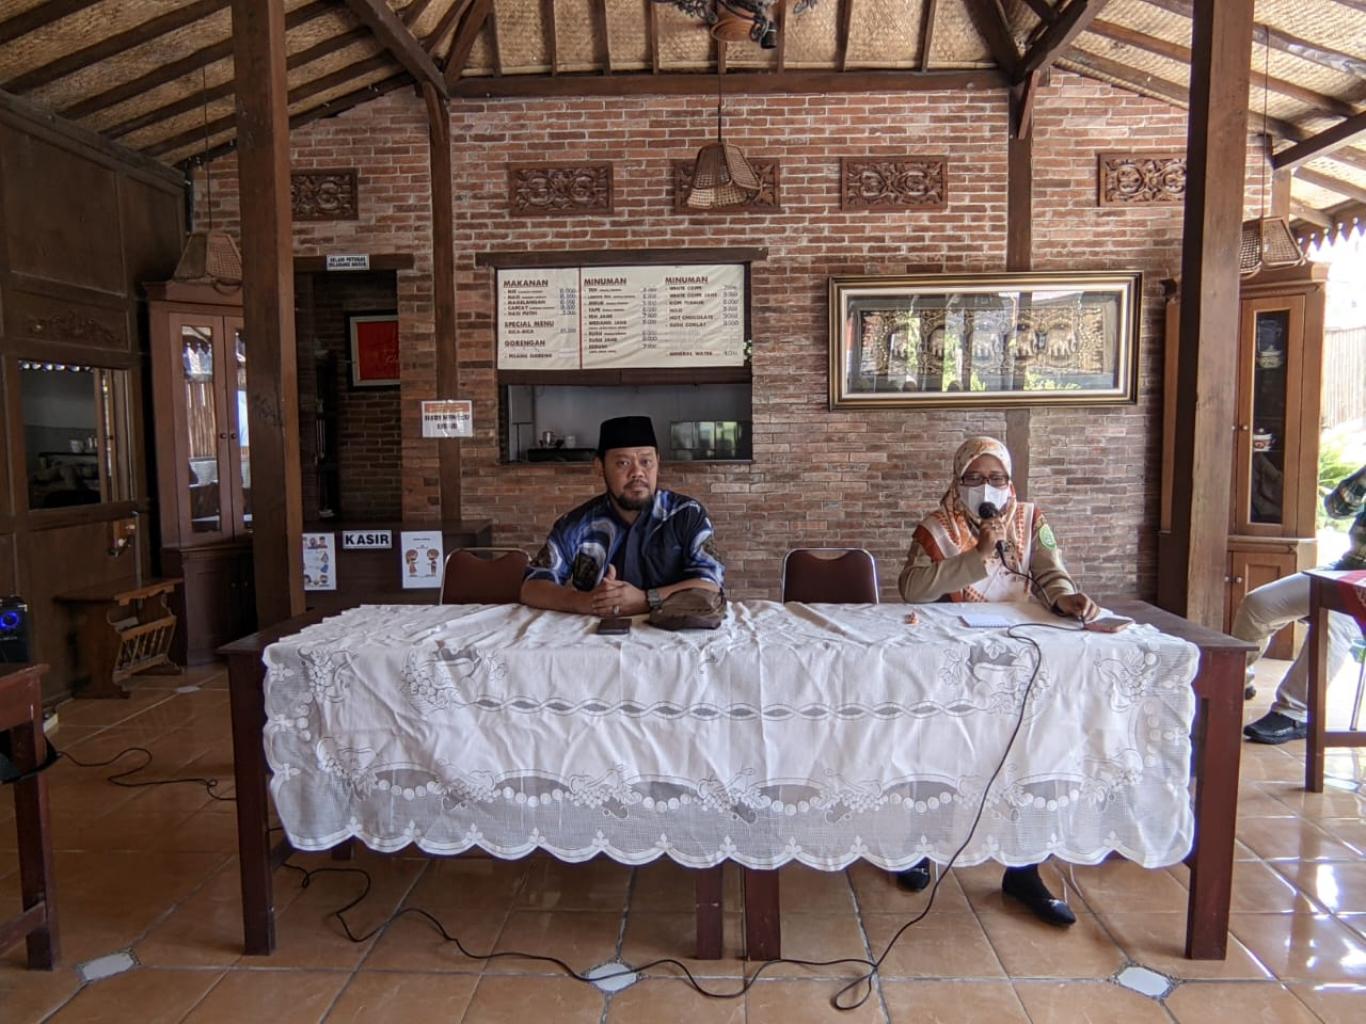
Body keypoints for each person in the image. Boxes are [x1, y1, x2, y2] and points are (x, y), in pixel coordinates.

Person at [894, 435, 1099, 927]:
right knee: (938, 752)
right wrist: (977, 555)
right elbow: (912, 589)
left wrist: (1065, 597)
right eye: (974, 478)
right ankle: (920, 847)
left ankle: (1023, 868)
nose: (987, 487)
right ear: (957, 480)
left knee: (1032, 754)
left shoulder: (1029, 519)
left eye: (996, 478)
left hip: (1022, 656)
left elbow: (1050, 572)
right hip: (955, 663)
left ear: (1010, 482)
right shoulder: (937, 527)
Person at [520, 416, 724, 616]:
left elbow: (710, 583)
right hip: (595, 632)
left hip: (672, 630)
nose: (638, 472)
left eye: (646, 461)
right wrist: (584, 601)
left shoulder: (686, 514)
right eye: (623, 463)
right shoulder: (577, 524)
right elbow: (531, 587)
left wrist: (646, 599)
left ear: (658, 462)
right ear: (600, 467)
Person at [1240, 464, 1366, 744]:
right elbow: (1336, 510)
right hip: (1344, 571)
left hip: (1361, 588)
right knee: (1259, 604)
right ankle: (1237, 679)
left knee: (1333, 618)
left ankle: (1294, 714)